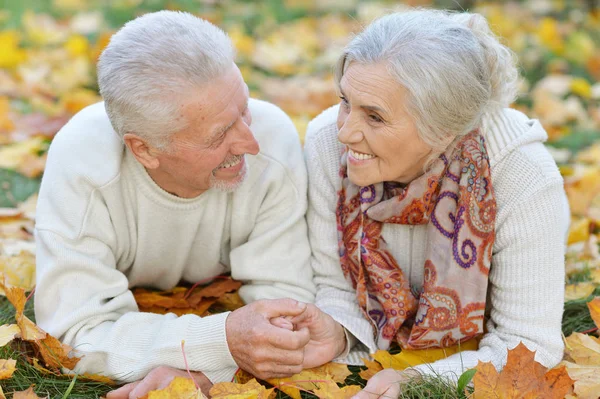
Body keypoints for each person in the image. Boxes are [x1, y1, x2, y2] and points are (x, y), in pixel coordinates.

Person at [33, 10, 316, 398]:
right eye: (219, 135)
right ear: (144, 149)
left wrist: (208, 370)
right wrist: (221, 342)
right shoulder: (83, 161)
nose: (250, 143)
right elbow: (76, 332)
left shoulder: (272, 136)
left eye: (244, 107)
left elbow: (288, 310)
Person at [296, 8, 569, 398]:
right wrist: (339, 333)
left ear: (443, 129)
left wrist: (420, 381)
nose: (345, 131)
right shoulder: (326, 141)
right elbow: (334, 286)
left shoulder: (522, 176)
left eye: (374, 117)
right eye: (345, 101)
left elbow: (529, 344)